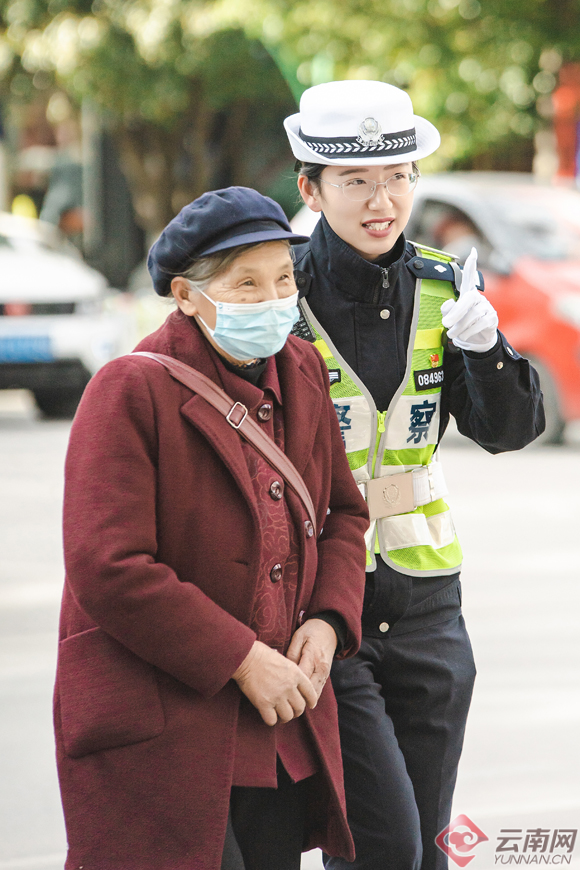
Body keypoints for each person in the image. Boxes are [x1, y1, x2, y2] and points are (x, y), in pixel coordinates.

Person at [53, 186, 369, 870]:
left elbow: (342, 513)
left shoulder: (304, 369)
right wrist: (240, 657)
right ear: (187, 297)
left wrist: (328, 621)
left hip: (277, 720)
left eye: (283, 278)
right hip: (164, 722)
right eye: (245, 284)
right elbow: (108, 565)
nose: (273, 298)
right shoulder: (129, 389)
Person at [283, 81, 545, 870]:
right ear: (311, 187)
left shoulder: (446, 289)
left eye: (398, 176)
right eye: (356, 180)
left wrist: (487, 349)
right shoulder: (278, 288)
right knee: (380, 845)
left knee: (427, 842)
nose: (381, 199)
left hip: (429, 598)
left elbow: (509, 432)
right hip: (326, 601)